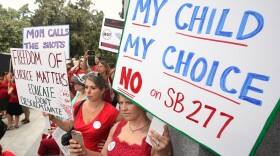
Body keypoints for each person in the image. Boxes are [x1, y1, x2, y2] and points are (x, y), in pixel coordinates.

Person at [69, 95, 173, 156]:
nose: (123, 108)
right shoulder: (117, 127)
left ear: (142, 104)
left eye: (128, 103)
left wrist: (163, 153)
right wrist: (84, 151)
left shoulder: (156, 135)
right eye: (121, 103)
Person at [45, 72, 124, 152]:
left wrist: (110, 143)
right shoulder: (78, 106)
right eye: (86, 87)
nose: (88, 91)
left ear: (102, 90)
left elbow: (127, 133)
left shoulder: (112, 112)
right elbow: (69, 126)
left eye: (93, 88)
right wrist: (53, 118)